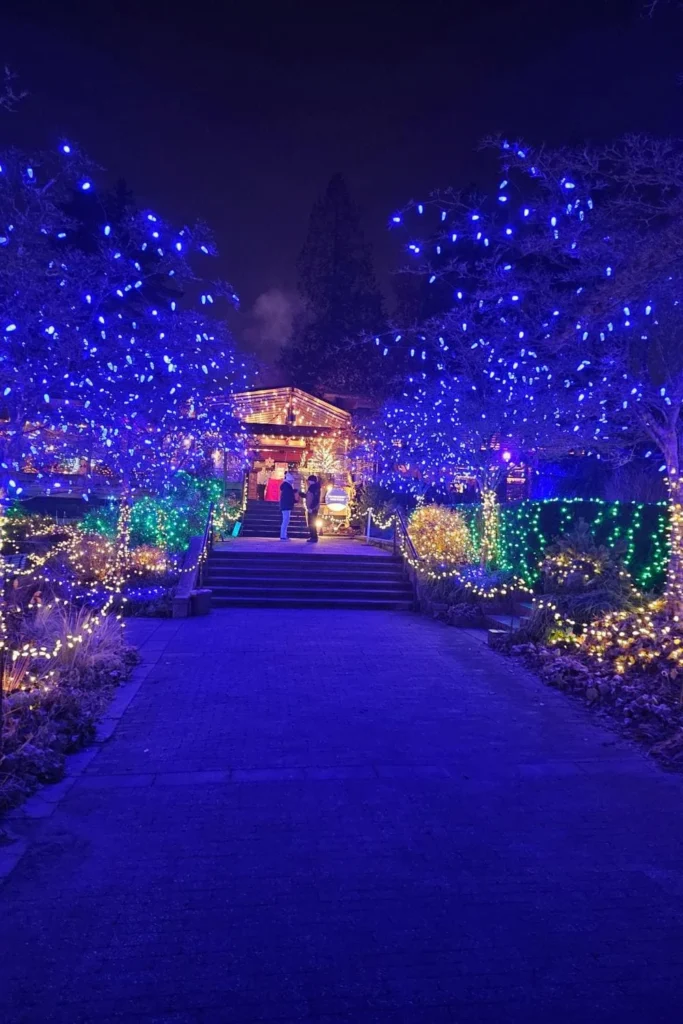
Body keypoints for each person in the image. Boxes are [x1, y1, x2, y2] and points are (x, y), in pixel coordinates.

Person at [305, 474, 321, 543]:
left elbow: (315, 499)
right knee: (311, 522)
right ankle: (313, 536)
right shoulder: (314, 487)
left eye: (309, 480)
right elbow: (310, 497)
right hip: (312, 508)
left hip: (312, 508)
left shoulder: (314, 488)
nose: (308, 482)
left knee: (312, 523)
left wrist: (311, 507)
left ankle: (313, 537)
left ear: (311, 480)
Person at [279, 471, 296, 540]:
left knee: (286, 520)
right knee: (285, 520)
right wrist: (294, 500)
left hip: (285, 505)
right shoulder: (287, 486)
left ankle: (284, 535)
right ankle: (283, 535)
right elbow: (289, 496)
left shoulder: (286, 486)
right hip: (286, 505)